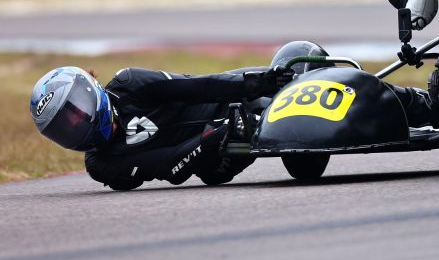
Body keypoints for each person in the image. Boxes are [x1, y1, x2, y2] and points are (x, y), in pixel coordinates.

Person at [29, 64, 294, 191]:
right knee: (216, 170)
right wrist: (213, 136)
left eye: (75, 114)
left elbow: (197, 87)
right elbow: (168, 167)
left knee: (290, 63)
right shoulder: (100, 164)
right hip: (212, 157)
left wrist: (257, 83)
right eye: (63, 129)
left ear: (89, 91)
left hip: (224, 106)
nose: (75, 127)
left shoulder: (130, 83)